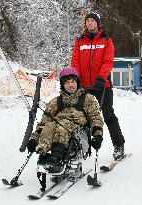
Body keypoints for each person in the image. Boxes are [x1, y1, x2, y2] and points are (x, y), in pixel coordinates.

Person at [26, 67, 104, 172]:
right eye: (67, 82)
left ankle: (56, 159)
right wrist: (34, 139)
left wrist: (97, 135)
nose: (71, 85)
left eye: (73, 82)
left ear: (77, 82)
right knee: (50, 125)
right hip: (59, 128)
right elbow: (44, 122)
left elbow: (96, 118)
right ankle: (44, 155)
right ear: (63, 85)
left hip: (80, 135)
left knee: (63, 124)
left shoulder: (87, 99)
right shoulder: (55, 102)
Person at [71, 12, 125, 161]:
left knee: (108, 115)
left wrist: (101, 78)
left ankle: (119, 145)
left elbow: (108, 61)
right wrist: (76, 79)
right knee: (81, 117)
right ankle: (80, 148)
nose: (89, 23)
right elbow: (75, 61)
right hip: (84, 86)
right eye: (87, 21)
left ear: (97, 23)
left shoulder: (106, 40)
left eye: (92, 21)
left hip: (102, 85)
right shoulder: (80, 41)